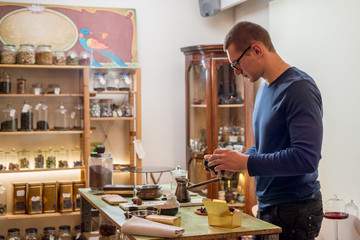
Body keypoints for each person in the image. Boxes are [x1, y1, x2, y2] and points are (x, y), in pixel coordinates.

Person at [205, 21, 324, 240]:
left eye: (236, 64)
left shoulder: (299, 89)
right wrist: (234, 161)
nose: (237, 72)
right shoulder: (264, 90)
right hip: (268, 207)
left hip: (294, 211)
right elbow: (265, 147)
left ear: (257, 49)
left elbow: (306, 158)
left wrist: (245, 163)